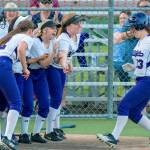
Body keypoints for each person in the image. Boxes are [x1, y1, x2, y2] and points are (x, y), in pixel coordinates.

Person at [97, 12, 150, 148]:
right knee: (133, 112)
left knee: (123, 105)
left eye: (133, 27)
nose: (131, 30)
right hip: (141, 79)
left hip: (147, 81)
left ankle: (114, 137)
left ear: (140, 25)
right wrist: (132, 66)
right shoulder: (140, 41)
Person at [44, 13, 84, 141]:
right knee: (56, 99)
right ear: (68, 25)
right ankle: (49, 130)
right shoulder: (63, 38)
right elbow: (62, 55)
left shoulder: (77, 36)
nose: (80, 25)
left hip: (60, 70)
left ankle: (55, 128)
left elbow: (69, 55)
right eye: (77, 23)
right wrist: (65, 64)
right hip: (53, 69)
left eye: (80, 23)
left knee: (58, 99)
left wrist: (68, 64)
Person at [0, 19, 34, 150]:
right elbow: (21, 50)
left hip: (3, 64)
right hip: (3, 64)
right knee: (16, 103)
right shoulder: (26, 37)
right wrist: (25, 68)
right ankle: (7, 138)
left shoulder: (11, 37)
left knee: (1, 104)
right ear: (30, 30)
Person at [28, 19, 58, 143]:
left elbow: (52, 61)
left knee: (45, 105)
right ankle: (21, 133)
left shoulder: (52, 41)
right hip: (28, 73)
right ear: (44, 30)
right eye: (52, 29)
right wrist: (53, 53)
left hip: (40, 75)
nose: (55, 31)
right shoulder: (35, 42)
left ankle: (35, 133)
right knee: (27, 104)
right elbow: (45, 64)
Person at [113, 11, 132, 83]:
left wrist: (123, 36)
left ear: (130, 19)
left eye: (124, 18)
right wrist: (131, 34)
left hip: (131, 59)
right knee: (120, 67)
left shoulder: (134, 28)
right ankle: (127, 87)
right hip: (118, 60)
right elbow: (116, 40)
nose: (122, 20)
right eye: (120, 18)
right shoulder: (117, 29)